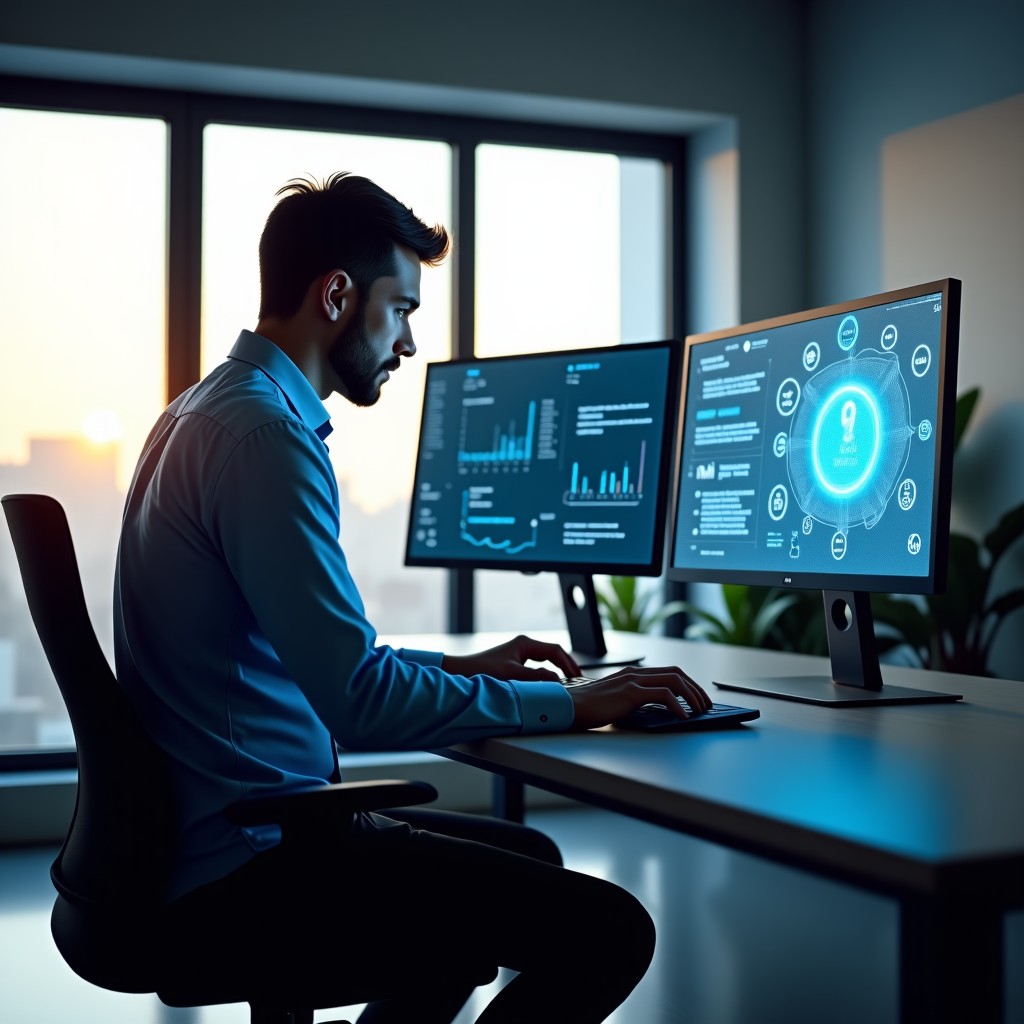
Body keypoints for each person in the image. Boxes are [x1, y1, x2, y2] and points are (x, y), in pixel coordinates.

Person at [114, 171, 712, 1023]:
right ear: (336, 297)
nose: (406, 343)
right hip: (252, 858)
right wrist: (568, 704)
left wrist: (462, 666)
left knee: (528, 855)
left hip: (216, 835)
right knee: (610, 932)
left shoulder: (200, 413)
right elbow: (356, 702)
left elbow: (324, 663)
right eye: (401, 311)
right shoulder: (265, 439)